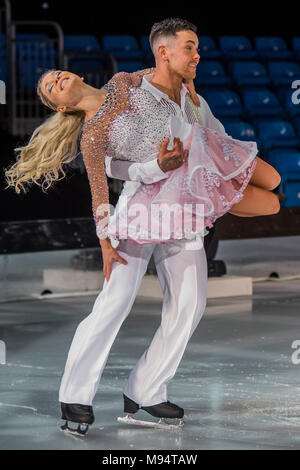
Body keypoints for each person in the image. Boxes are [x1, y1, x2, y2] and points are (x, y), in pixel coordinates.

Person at [4, 18, 281, 435]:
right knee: (113, 304)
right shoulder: (93, 134)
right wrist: (105, 242)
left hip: (183, 202)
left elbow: (161, 71)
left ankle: (147, 389)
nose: (56, 79)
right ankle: (74, 396)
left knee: (190, 303)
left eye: (58, 74)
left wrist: (188, 85)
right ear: (60, 106)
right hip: (138, 214)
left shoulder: (122, 82)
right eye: (49, 87)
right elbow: (100, 192)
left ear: (77, 74)